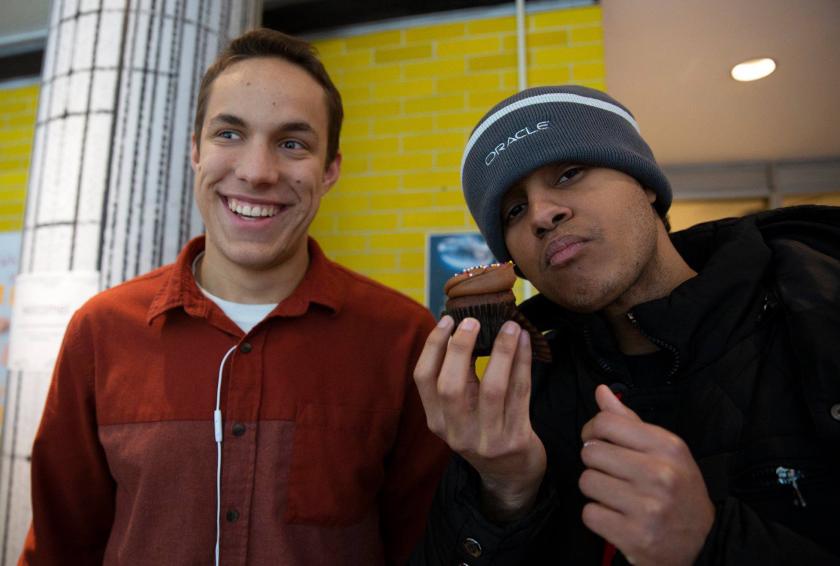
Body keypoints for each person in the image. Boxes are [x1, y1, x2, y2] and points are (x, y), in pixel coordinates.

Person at [20, 29, 448, 566]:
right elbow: (60, 546)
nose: (256, 171)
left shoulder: (402, 338)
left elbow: (422, 545)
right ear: (195, 150)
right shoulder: (101, 331)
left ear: (330, 169)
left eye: (292, 143)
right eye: (229, 134)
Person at [410, 85, 840, 565]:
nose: (543, 215)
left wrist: (712, 543)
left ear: (646, 183)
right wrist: (504, 491)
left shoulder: (818, 316)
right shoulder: (520, 401)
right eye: (514, 210)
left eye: (570, 173)